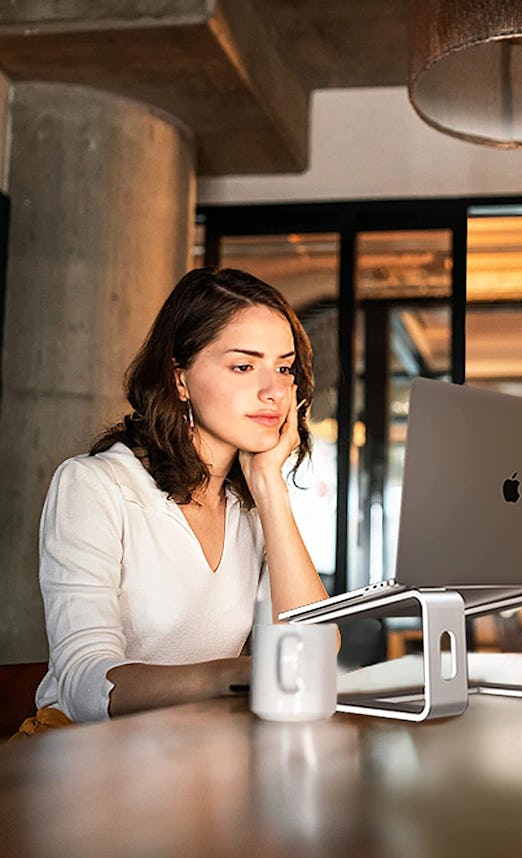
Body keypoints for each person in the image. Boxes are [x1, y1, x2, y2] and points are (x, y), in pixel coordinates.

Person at [24, 266, 331, 729]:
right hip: (86, 761)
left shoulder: (249, 507)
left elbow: (314, 651)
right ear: (180, 378)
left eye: (284, 368)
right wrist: (231, 675)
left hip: (198, 753)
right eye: (244, 366)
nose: (273, 391)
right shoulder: (95, 486)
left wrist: (270, 487)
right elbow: (85, 684)